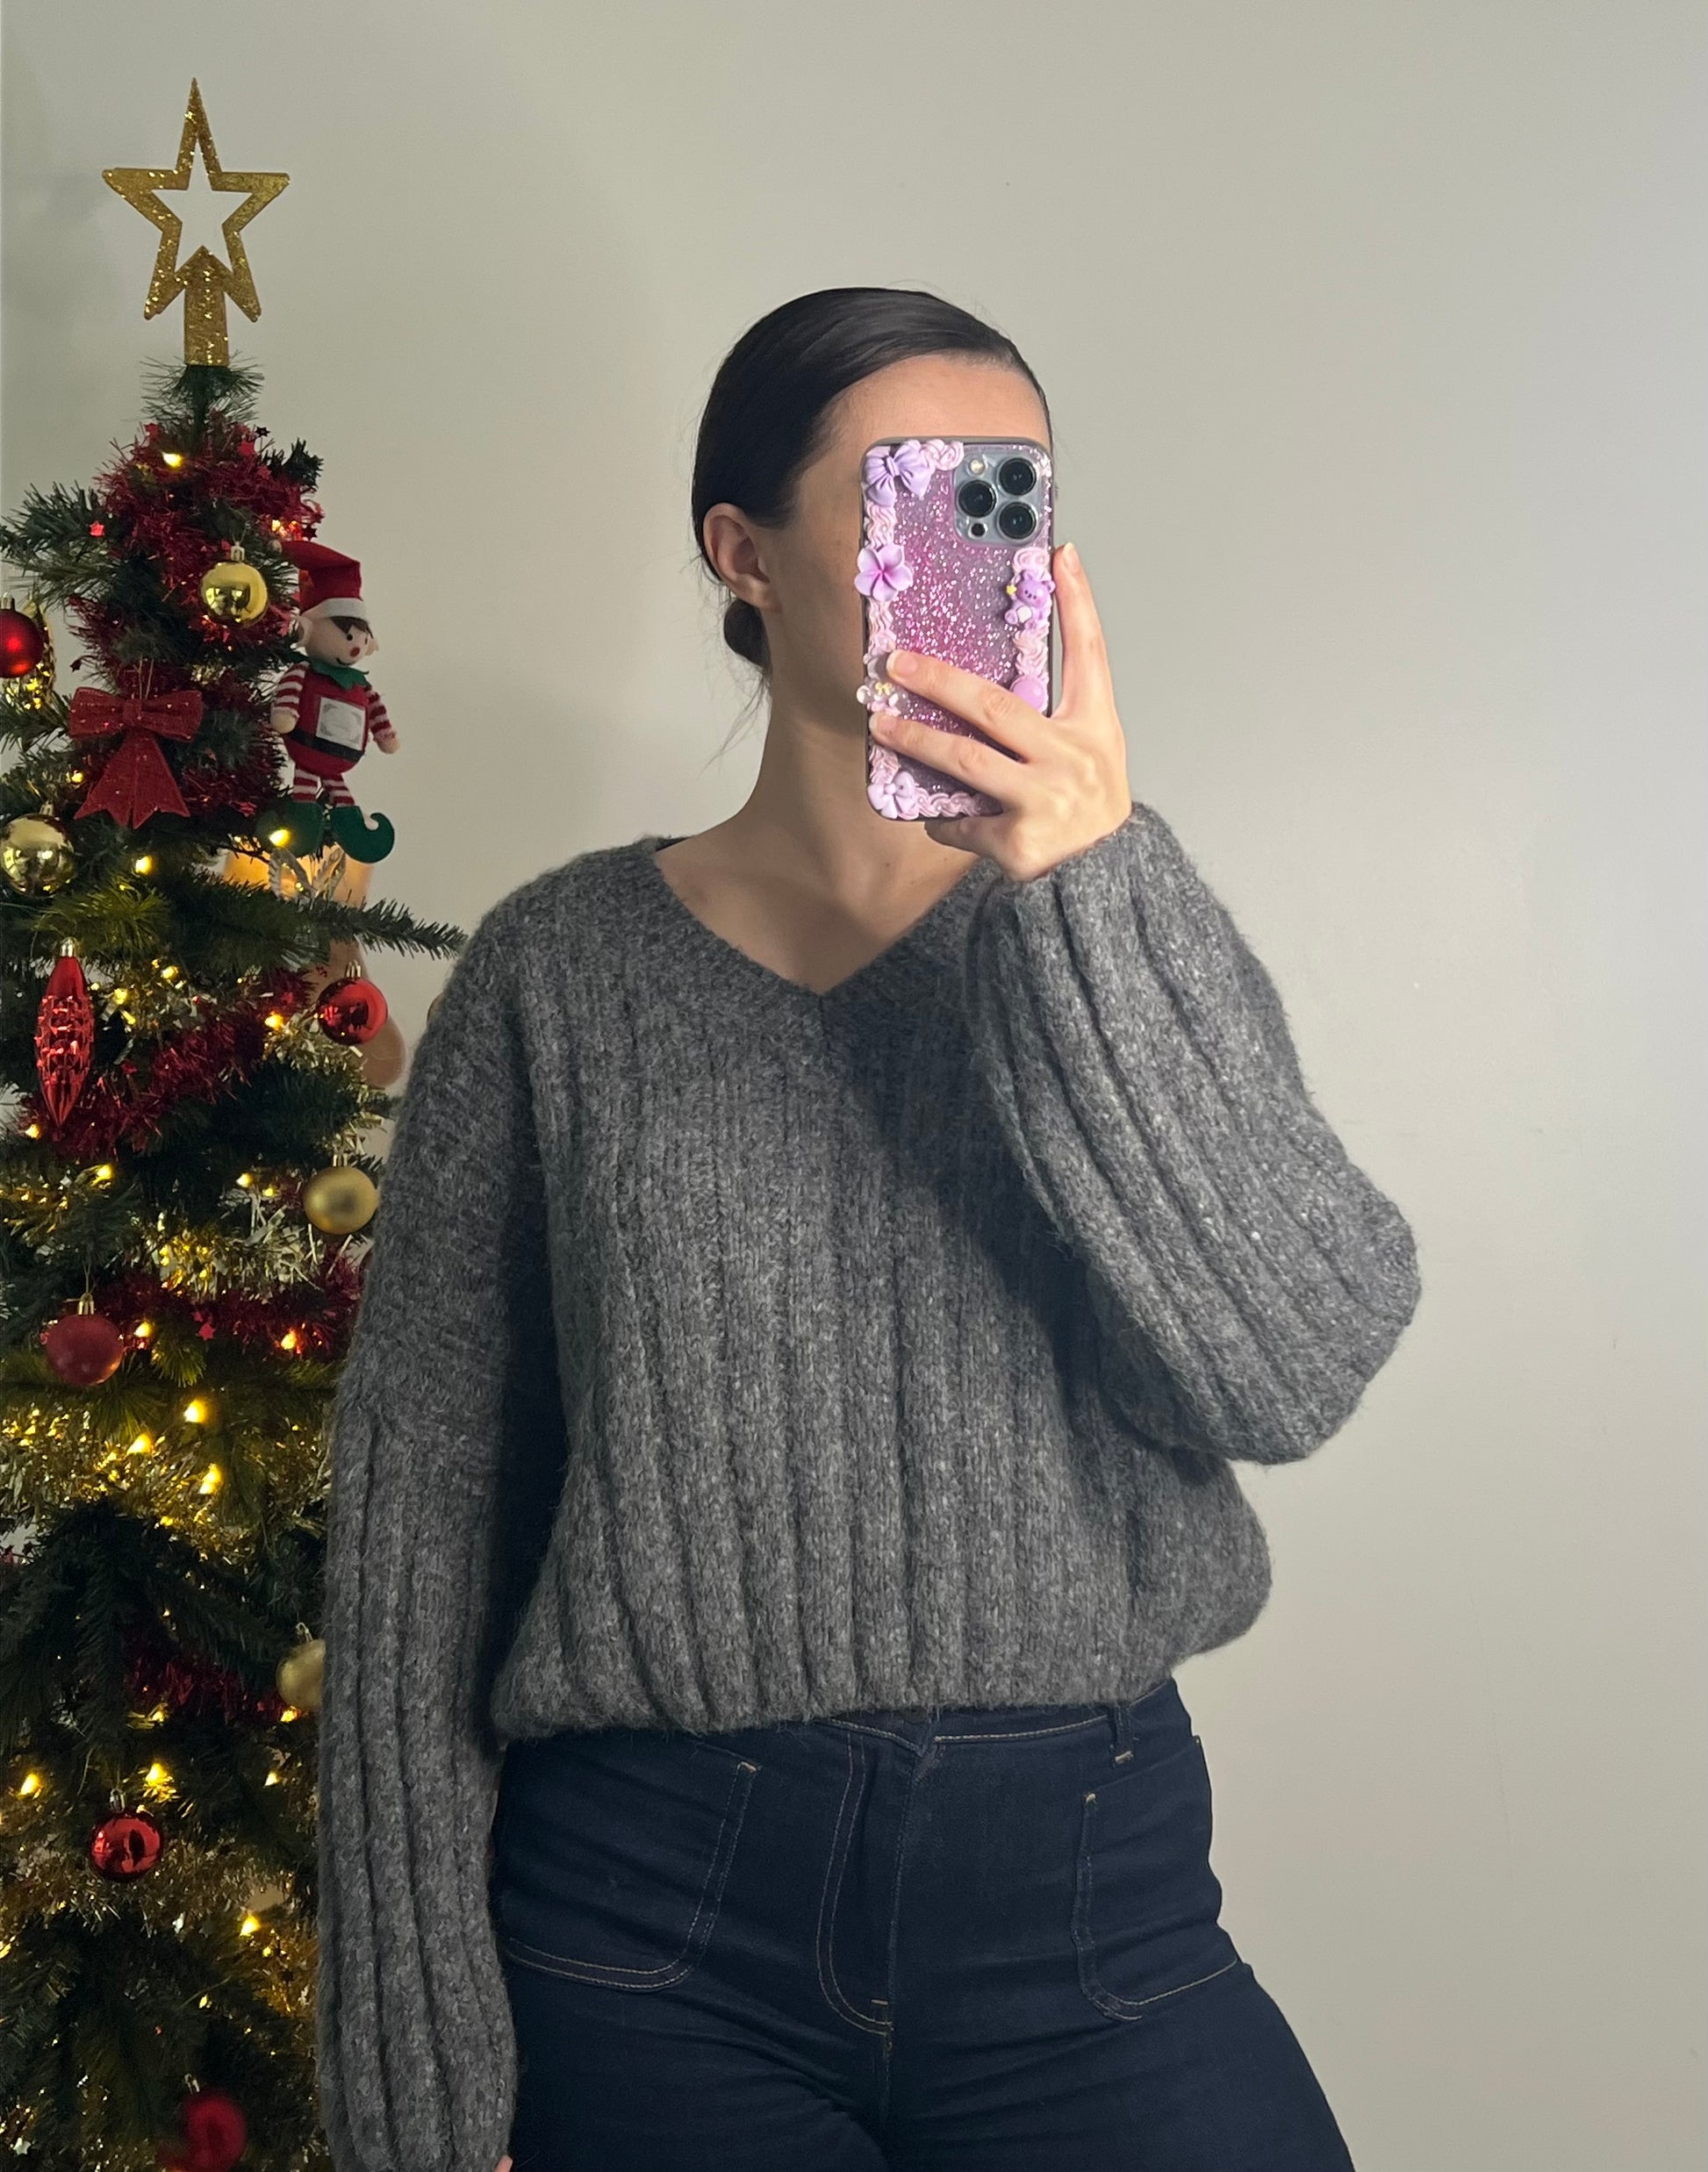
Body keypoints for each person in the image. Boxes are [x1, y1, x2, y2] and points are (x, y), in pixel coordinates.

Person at [313, 287, 1422, 2172]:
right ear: (741, 553)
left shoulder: (1116, 930)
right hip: (649, 1930)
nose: (977, 547)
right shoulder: (554, 975)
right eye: (915, 488)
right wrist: (414, 2079)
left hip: (1086, 1897)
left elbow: (1292, 1366)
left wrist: (1081, 893)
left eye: (1016, 494)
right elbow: (422, 1519)